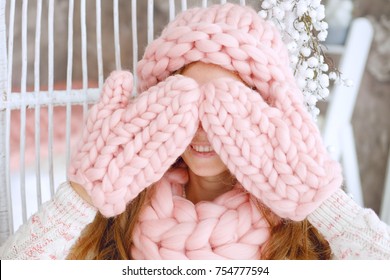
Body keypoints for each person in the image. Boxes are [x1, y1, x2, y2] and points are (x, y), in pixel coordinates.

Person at [1, 3, 390, 260]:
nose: (204, 128)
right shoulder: (120, 213)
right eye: (186, 103)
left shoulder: (298, 232)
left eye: (227, 105)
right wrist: (85, 193)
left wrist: (316, 197)